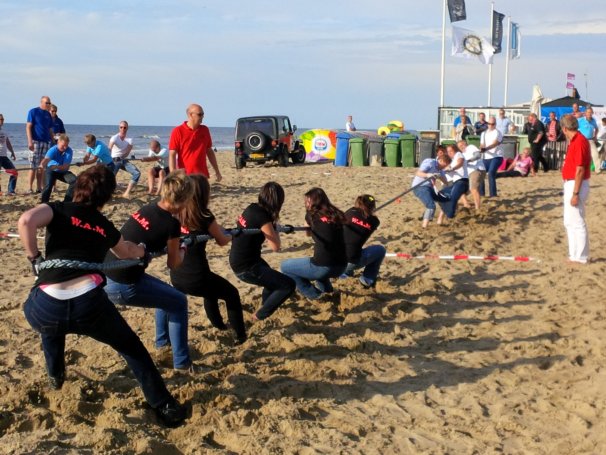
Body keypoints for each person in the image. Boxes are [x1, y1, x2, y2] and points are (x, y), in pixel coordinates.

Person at [18, 165, 186, 427]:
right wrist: (142, 251)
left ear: (78, 188)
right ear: (107, 198)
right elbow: (127, 252)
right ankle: (165, 406)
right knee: (133, 349)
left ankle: (56, 375)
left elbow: (26, 221)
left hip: (45, 309)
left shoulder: (56, 210)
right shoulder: (103, 226)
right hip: (90, 307)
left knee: (50, 325)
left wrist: (35, 259)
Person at [104, 171, 197, 372]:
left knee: (166, 296)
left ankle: (162, 344)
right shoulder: (172, 225)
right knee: (179, 302)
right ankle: (182, 363)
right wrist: (182, 249)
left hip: (107, 276)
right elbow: (173, 264)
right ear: (184, 200)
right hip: (124, 284)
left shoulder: (148, 207)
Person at [171, 175, 246, 344]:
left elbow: (215, 229)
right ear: (204, 194)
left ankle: (219, 325)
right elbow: (221, 241)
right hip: (196, 277)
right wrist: (232, 236)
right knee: (232, 294)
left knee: (210, 291)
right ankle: (240, 336)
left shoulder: (177, 212)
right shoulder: (204, 215)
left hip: (176, 276)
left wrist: (222, 230)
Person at [229, 182, 295, 320]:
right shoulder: (263, 217)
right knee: (288, 285)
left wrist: (273, 226)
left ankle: (265, 306)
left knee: (272, 281)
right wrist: (275, 230)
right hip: (246, 267)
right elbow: (276, 247)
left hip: (241, 259)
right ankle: (259, 316)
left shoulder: (252, 207)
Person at [281, 188, 347, 300]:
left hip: (324, 266)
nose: (305, 204)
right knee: (319, 268)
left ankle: (315, 295)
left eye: (307, 201)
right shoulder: (337, 214)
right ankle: (328, 292)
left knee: (285, 266)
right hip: (342, 265)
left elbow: (307, 233)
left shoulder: (311, 215)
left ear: (314, 202)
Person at [560, 114, 591, 264]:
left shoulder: (579, 142)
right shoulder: (574, 141)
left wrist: (575, 193)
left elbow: (580, 170)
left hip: (576, 183)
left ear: (565, 129)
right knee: (569, 221)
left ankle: (581, 256)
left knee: (577, 221)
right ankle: (574, 254)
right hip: (571, 182)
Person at [341, 195, 386, 288]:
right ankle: (367, 279)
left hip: (334, 258)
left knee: (351, 246)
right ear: (373, 207)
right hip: (350, 261)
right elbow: (370, 219)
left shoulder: (349, 213)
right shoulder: (374, 221)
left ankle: (345, 273)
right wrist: (371, 213)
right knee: (380, 250)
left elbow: (356, 215)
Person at [168, 104, 222, 182]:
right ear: (190, 115)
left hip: (202, 175)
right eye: (200, 114)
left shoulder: (205, 130)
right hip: (185, 176)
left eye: (203, 114)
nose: (202, 116)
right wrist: (173, 175)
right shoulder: (178, 131)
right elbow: (172, 154)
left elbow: (209, 151)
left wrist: (217, 171)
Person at [411, 154, 451, 228]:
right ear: (441, 160)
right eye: (445, 165)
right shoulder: (429, 162)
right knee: (431, 206)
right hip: (420, 187)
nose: (445, 167)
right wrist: (428, 175)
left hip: (430, 188)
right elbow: (418, 173)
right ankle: (424, 227)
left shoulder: (440, 169)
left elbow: (445, 181)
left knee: (447, 199)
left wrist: (441, 177)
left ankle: (437, 219)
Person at [26, 96, 54, 194]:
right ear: (41, 102)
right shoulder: (33, 111)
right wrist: (30, 141)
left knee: (41, 167)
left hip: (46, 142)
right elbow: (28, 127)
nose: (48, 104)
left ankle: (39, 188)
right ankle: (29, 188)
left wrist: (53, 141)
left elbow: (50, 129)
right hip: (35, 141)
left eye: (49, 103)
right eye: (47, 103)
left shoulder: (48, 114)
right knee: (33, 166)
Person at [437, 144, 469, 225]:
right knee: (441, 194)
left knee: (452, 198)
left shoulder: (458, 154)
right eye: (448, 151)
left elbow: (460, 163)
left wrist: (452, 168)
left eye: (451, 151)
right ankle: (445, 217)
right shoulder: (452, 160)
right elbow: (447, 171)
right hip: (455, 182)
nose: (449, 153)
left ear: (455, 150)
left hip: (462, 181)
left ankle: (450, 215)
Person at [39, 134, 76, 204]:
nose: (65, 147)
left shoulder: (69, 151)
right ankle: (44, 203)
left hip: (62, 171)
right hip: (51, 170)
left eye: (66, 145)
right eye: (63, 145)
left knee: (75, 181)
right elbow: (46, 159)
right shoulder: (53, 149)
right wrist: (42, 164)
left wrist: (56, 167)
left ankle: (66, 202)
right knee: (48, 185)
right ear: (58, 143)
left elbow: (66, 167)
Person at [109, 121, 140, 199]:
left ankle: (126, 192)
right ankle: (109, 191)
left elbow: (127, 153)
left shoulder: (130, 139)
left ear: (127, 128)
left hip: (123, 160)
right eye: (121, 127)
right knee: (110, 176)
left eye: (125, 127)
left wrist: (122, 158)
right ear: (119, 128)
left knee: (137, 173)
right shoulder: (114, 137)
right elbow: (109, 149)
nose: (123, 129)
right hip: (114, 160)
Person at [479, 116, 504, 197]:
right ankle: (481, 194)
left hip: (497, 156)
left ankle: (493, 195)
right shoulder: (483, 133)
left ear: (495, 124)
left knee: (491, 173)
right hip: (486, 157)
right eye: (489, 123)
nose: (491, 125)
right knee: (481, 173)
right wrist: (482, 148)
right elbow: (482, 144)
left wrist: (486, 148)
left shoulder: (498, 132)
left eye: (493, 124)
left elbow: (495, 143)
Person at [458, 140, 486, 210]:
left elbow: (478, 155)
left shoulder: (470, 147)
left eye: (462, 145)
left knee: (473, 189)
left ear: (465, 144)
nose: (461, 147)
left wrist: (469, 160)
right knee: (460, 189)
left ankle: (477, 208)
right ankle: (466, 204)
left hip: (476, 169)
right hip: (469, 173)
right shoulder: (462, 154)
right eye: (459, 147)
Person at [0, 113, 18, 196]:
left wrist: (12, 152)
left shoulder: (4, 131)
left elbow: (7, 142)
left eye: (3, 119)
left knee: (14, 172)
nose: (2, 121)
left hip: (4, 156)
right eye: (0, 119)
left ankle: (11, 191)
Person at [578, 107, 600, 174]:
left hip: (590, 140)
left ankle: (598, 170)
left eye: (590, 112)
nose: (589, 114)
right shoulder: (580, 120)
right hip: (582, 140)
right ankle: (579, 169)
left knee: (595, 154)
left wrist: (595, 136)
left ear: (592, 113)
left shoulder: (593, 121)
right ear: (585, 113)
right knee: (581, 155)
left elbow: (597, 129)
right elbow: (575, 128)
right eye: (588, 112)